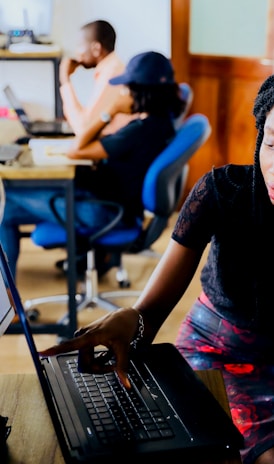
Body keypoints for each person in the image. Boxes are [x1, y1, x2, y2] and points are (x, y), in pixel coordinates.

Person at [40, 74, 274, 464]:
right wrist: (130, 320)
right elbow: (149, 313)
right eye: (271, 143)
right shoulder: (221, 192)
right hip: (216, 349)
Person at [0, 51, 186, 279]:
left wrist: (109, 112)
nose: (122, 92)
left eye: (126, 87)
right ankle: (9, 293)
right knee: (11, 201)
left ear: (140, 91)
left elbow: (77, 149)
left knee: (4, 205)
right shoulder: (161, 124)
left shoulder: (139, 131)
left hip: (102, 212)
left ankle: (8, 298)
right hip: (111, 204)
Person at [60, 19, 135, 136]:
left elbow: (83, 128)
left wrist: (65, 80)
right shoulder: (111, 68)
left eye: (80, 45)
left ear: (96, 49)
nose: (77, 52)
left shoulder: (112, 74)